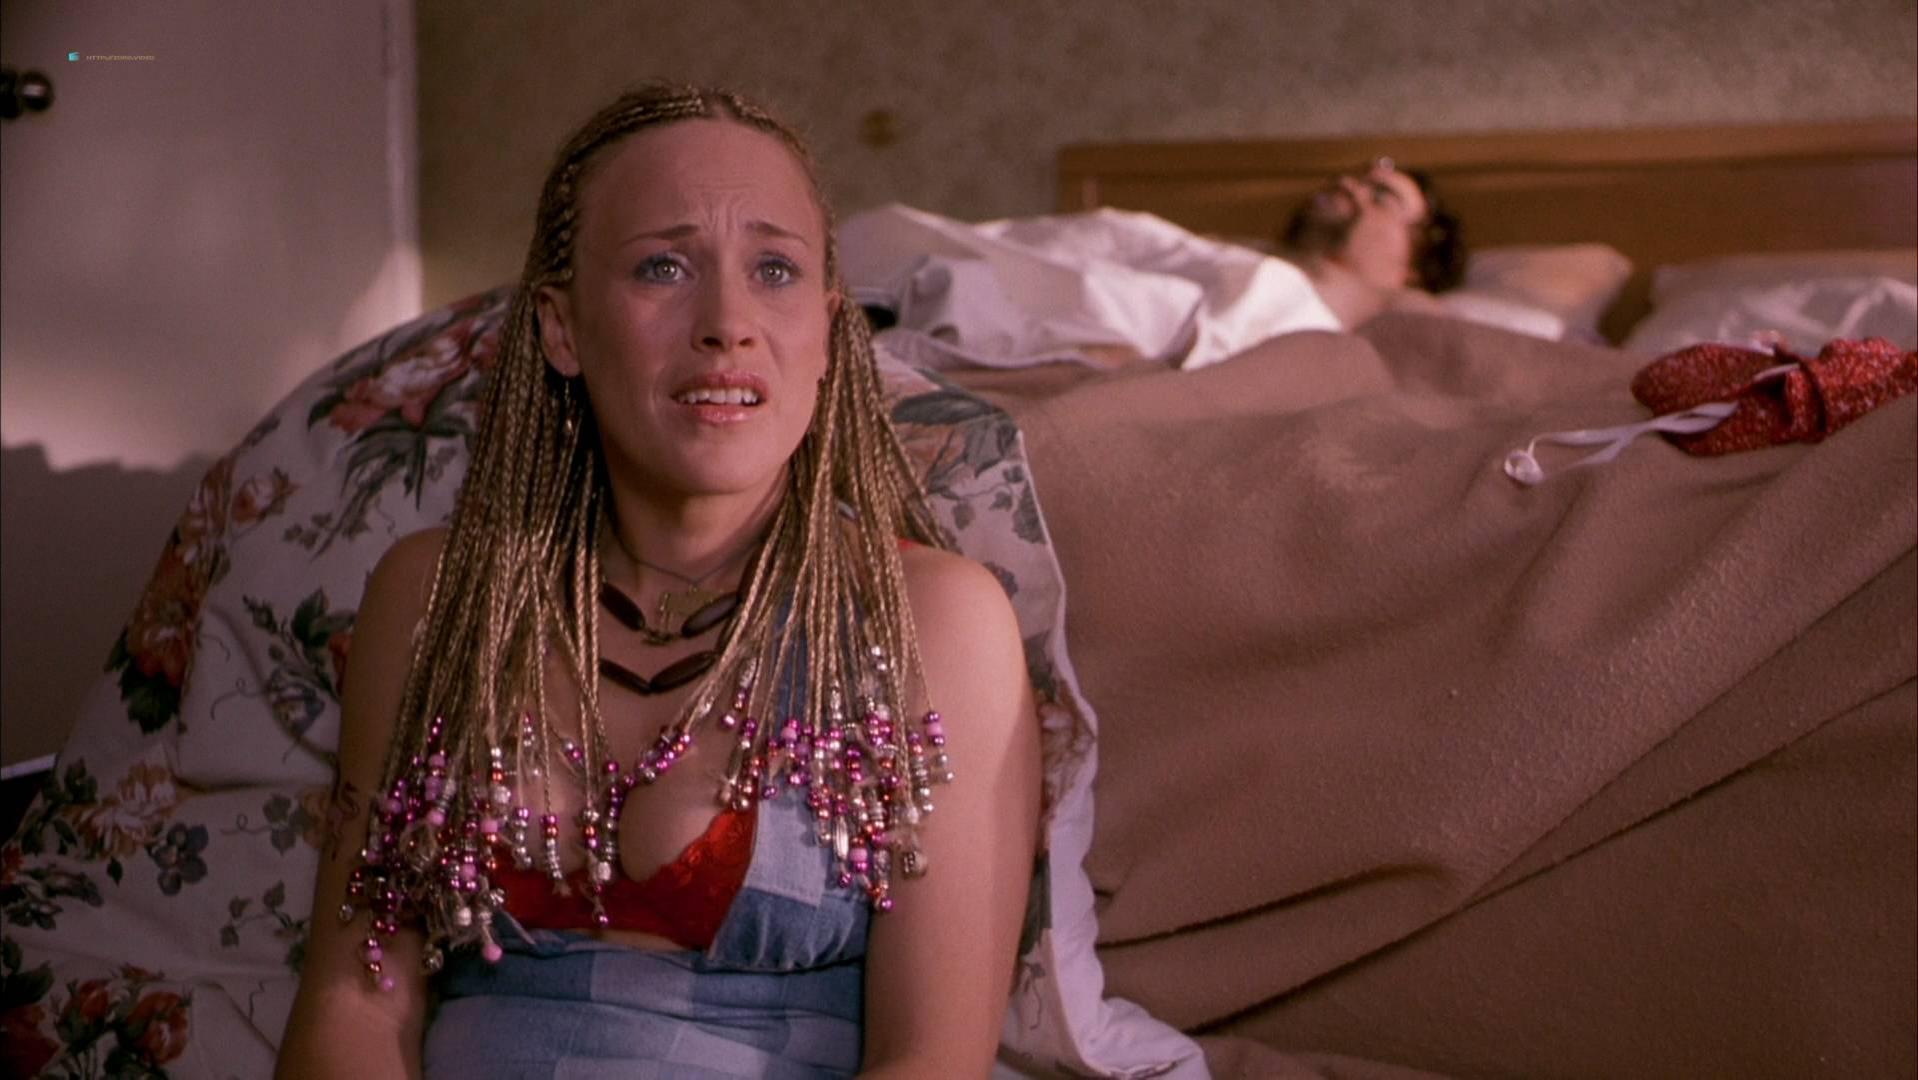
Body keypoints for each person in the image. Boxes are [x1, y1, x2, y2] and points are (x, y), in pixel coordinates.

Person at [276, 82, 1041, 1079]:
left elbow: (931, 1060)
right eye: (662, 267)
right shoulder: (438, 600)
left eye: (774, 269)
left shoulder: (930, 619)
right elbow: (353, 1000)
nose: (727, 322)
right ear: (561, 327)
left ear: (827, 331)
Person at [1277, 158, 1466, 329]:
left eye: (1380, 197)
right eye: (1355, 180)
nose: (1344, 183)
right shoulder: (1263, 262)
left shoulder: (1409, 313)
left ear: (1416, 267)